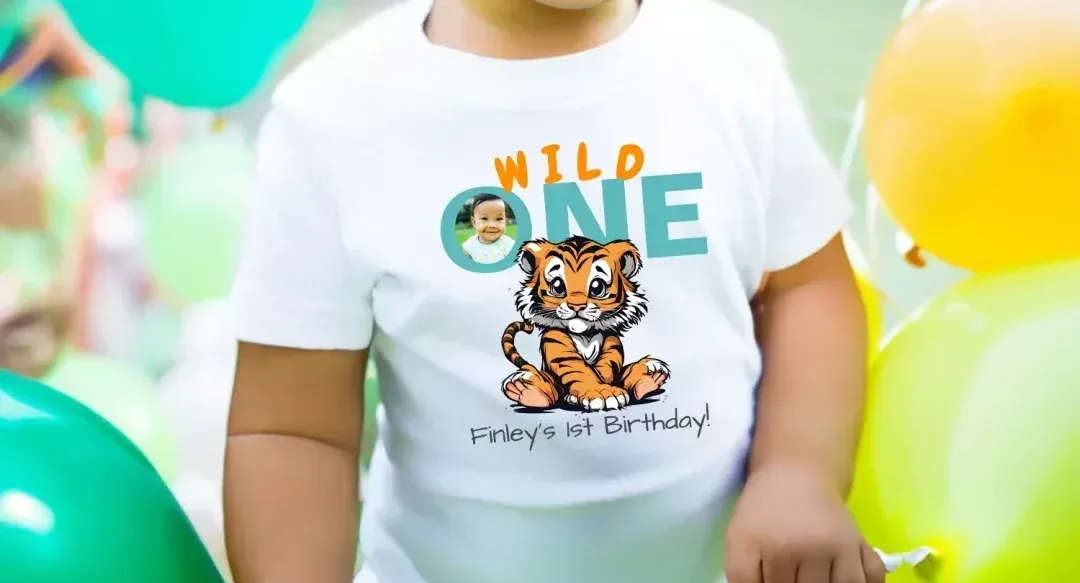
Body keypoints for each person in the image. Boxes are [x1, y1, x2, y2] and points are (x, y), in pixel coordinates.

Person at [224, 1, 885, 583]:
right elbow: (292, 428)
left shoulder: (732, 64)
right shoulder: (335, 115)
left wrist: (796, 473)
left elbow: (807, 287)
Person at [460, 192, 515, 264]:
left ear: (505, 222)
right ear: (474, 222)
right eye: (484, 218)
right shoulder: (469, 246)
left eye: (499, 219)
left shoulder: (510, 245)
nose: (492, 225)